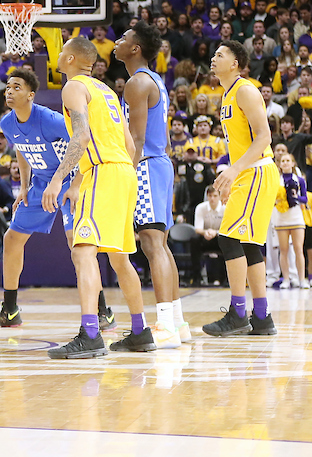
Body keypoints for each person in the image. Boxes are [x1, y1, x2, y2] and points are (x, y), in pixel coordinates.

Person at [0, 68, 114, 330]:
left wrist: (74, 185)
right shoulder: (8, 123)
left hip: (70, 180)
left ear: (31, 95)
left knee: (78, 246)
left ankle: (103, 312)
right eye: (8, 87)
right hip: (42, 184)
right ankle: (9, 310)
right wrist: (23, 187)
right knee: (11, 239)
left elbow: (83, 145)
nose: (9, 91)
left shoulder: (51, 119)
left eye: (16, 87)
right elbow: (22, 148)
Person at [44, 36, 151, 358]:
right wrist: (88, 178)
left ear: (72, 59)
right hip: (123, 172)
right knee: (120, 258)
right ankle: (139, 330)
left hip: (103, 173)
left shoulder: (73, 87)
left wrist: (57, 180)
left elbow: (81, 136)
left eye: (62, 52)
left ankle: (90, 333)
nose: (58, 55)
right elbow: (131, 146)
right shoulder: (106, 91)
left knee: (83, 252)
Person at [115, 22, 188, 346]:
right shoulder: (154, 79)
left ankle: (165, 327)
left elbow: (137, 138)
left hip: (145, 165)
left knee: (151, 244)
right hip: (159, 165)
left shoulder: (137, 82)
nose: (117, 41)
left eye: (124, 38)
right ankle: (177, 323)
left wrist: (126, 176)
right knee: (161, 245)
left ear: (136, 49)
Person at [202, 40, 281, 336]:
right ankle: (262, 317)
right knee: (247, 245)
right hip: (249, 173)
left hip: (256, 171)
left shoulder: (245, 90)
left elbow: (264, 136)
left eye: (219, 54)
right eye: (214, 53)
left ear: (235, 63)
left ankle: (238, 313)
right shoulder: (227, 94)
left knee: (228, 239)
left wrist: (234, 170)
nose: (213, 57)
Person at [275, 152, 308, 289]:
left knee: (298, 249)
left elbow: (305, 199)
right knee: (283, 250)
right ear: (280, 164)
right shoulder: (276, 180)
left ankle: (301, 279)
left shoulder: (299, 180)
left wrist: (295, 199)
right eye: (283, 161)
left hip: (296, 217)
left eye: (288, 160)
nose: (285, 163)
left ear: (293, 163)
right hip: (281, 218)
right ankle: (286, 279)